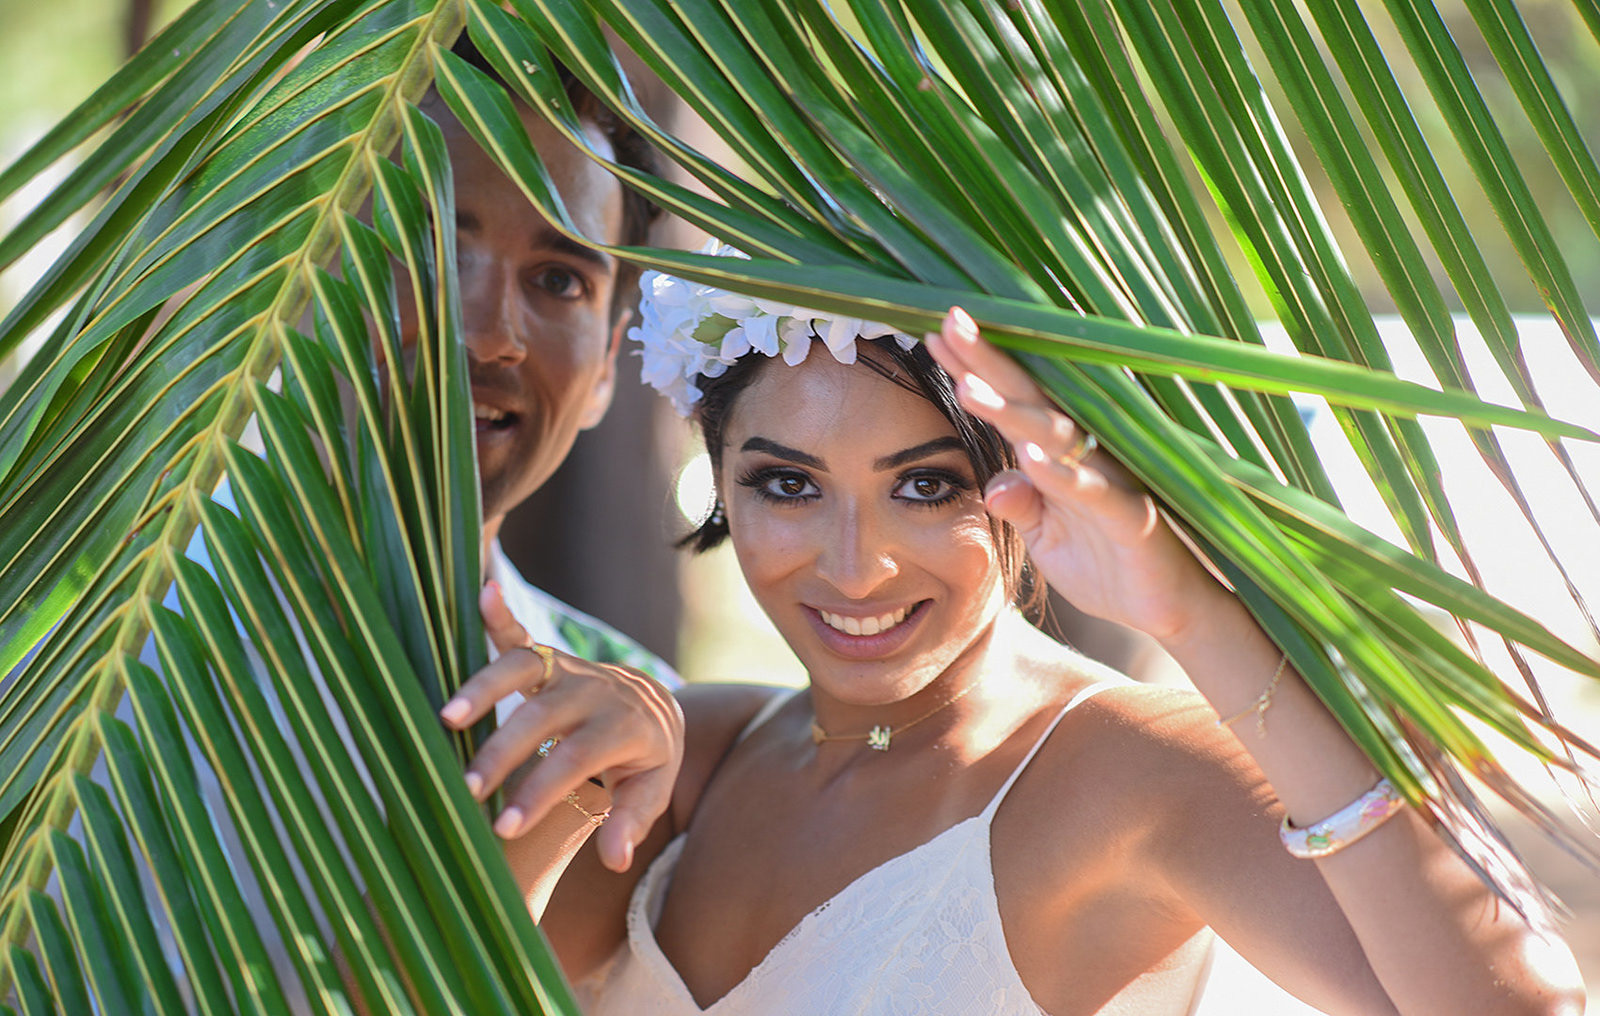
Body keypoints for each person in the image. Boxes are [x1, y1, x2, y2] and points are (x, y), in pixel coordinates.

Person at [442, 258, 1585, 1014]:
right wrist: (565, 795)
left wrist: (1190, 612)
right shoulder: (701, 750)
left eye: (926, 486)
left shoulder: (1133, 770)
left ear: (1026, 483)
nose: (854, 564)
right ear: (721, 484)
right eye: (788, 482)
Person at [409, 41, 675, 687]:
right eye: (432, 244)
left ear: (607, 366)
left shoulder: (648, 735)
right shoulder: (124, 628)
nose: (487, 335)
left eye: (557, 280)